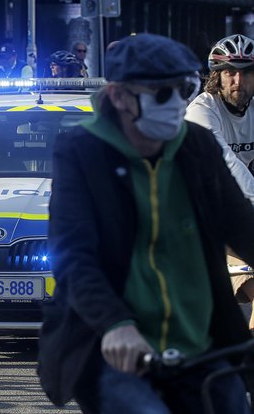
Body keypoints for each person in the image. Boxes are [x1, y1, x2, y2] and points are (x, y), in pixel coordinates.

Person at [38, 33, 254, 413]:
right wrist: (114, 324)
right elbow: (74, 256)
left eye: (182, 89)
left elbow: (242, 226)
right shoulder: (82, 151)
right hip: (117, 348)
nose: (175, 104)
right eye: (159, 94)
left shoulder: (197, 145)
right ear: (120, 96)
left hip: (201, 346)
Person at [185, 34, 254, 330]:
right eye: (230, 73)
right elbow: (227, 166)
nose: (239, 81)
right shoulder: (201, 110)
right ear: (217, 76)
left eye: (247, 72)